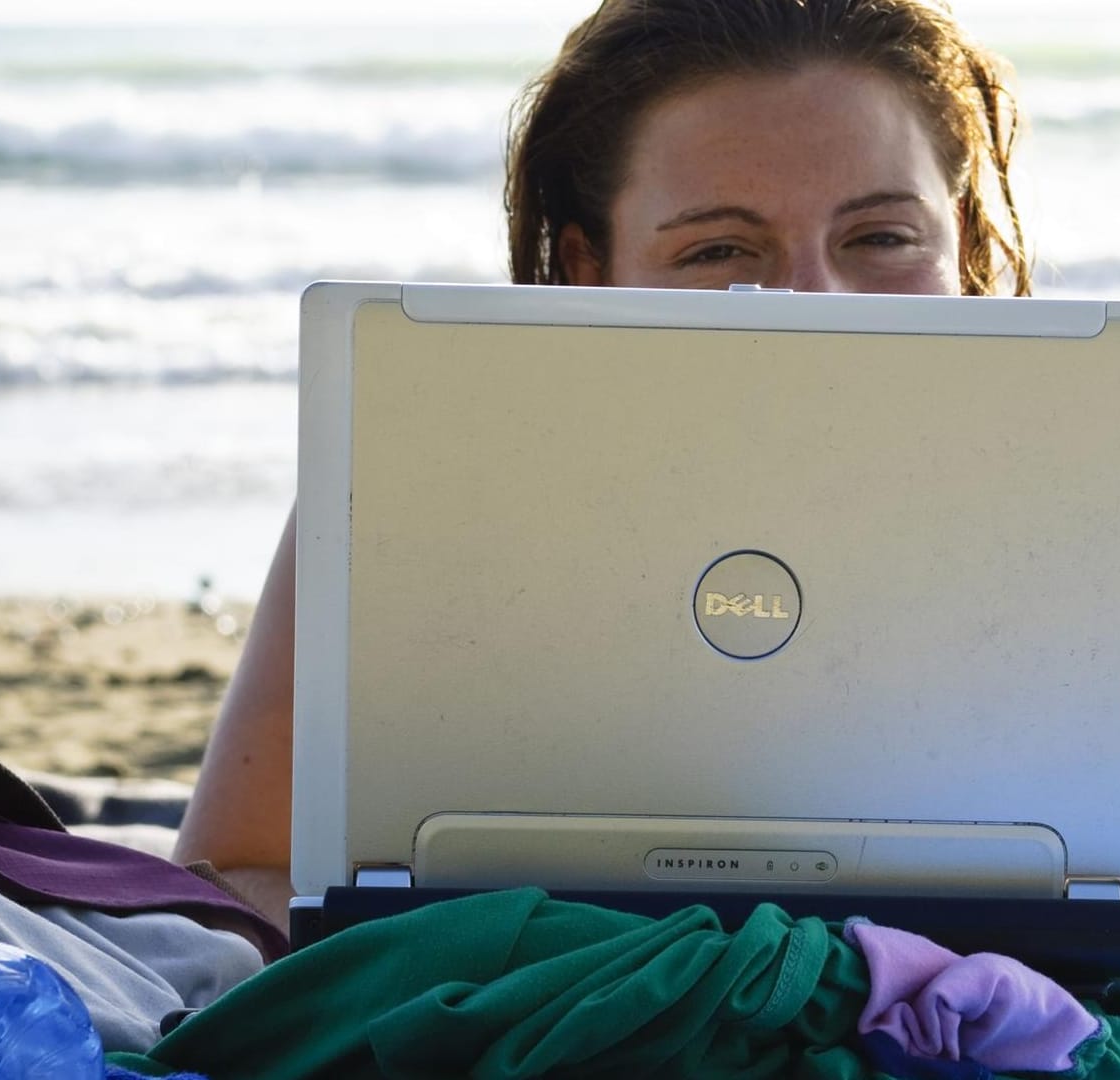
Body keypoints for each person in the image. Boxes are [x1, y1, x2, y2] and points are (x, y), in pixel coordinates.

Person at [172, 0, 1031, 930]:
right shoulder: (403, 476)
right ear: (590, 265)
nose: (813, 302)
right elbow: (234, 879)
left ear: (964, 240)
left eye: (880, 236)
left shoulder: (1066, 480)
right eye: (719, 249)